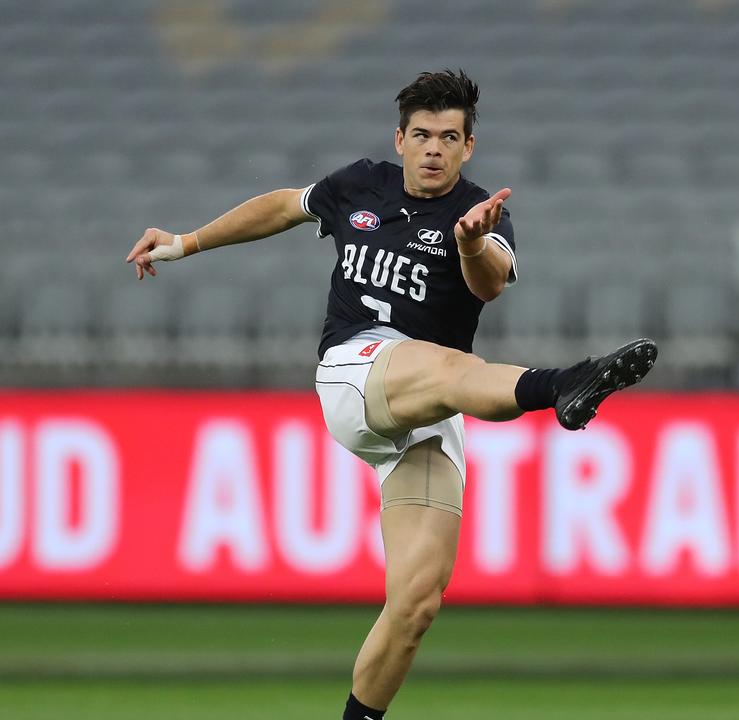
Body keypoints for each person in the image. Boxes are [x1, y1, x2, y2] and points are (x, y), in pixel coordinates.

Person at [125, 69, 657, 720]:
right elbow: (284, 206)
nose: (435, 148)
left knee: (415, 602)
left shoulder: (484, 213)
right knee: (448, 365)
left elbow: (489, 282)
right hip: (356, 374)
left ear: (469, 148)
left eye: (450, 137)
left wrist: (469, 244)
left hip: (426, 410)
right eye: (423, 134)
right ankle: (564, 383)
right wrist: (186, 243)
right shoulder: (358, 185)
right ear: (400, 138)